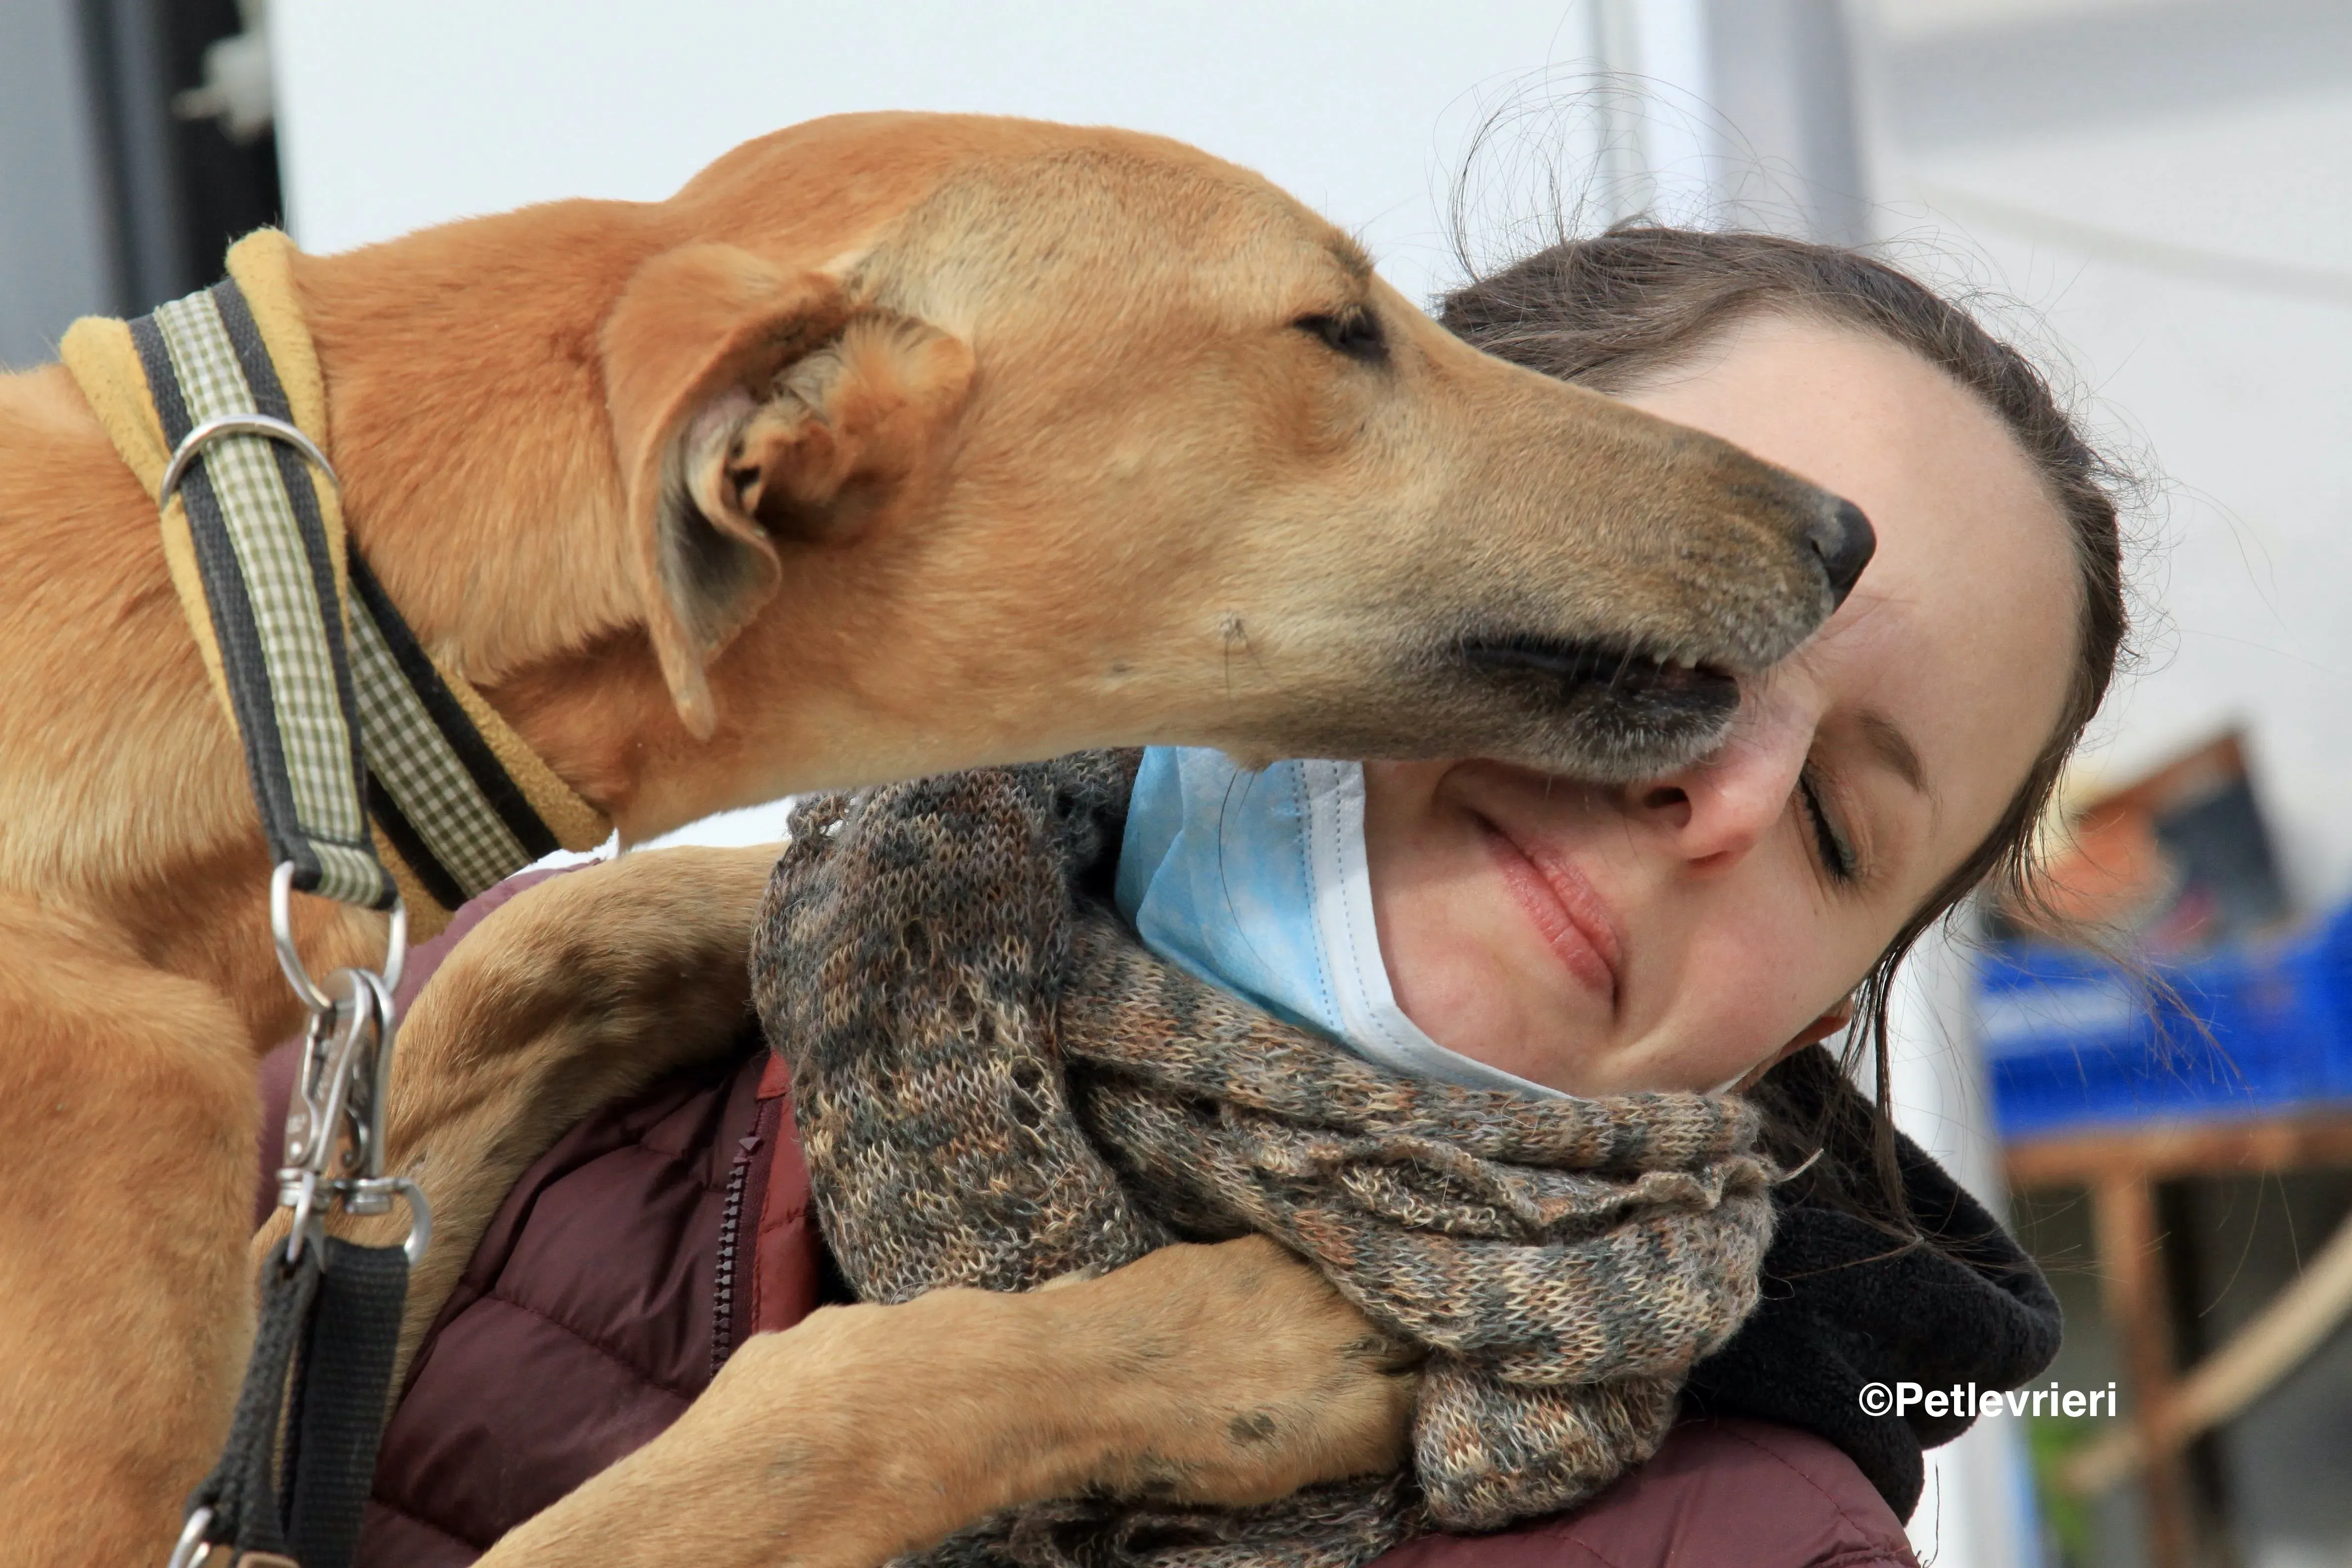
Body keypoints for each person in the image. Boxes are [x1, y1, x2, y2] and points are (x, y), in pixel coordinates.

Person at [323, 225, 2127, 1568]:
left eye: (1831, 828)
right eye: (1672, 629)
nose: (1711, 796)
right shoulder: (503, 1028)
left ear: (1818, 1014)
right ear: (1340, 500)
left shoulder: (1760, 1546)